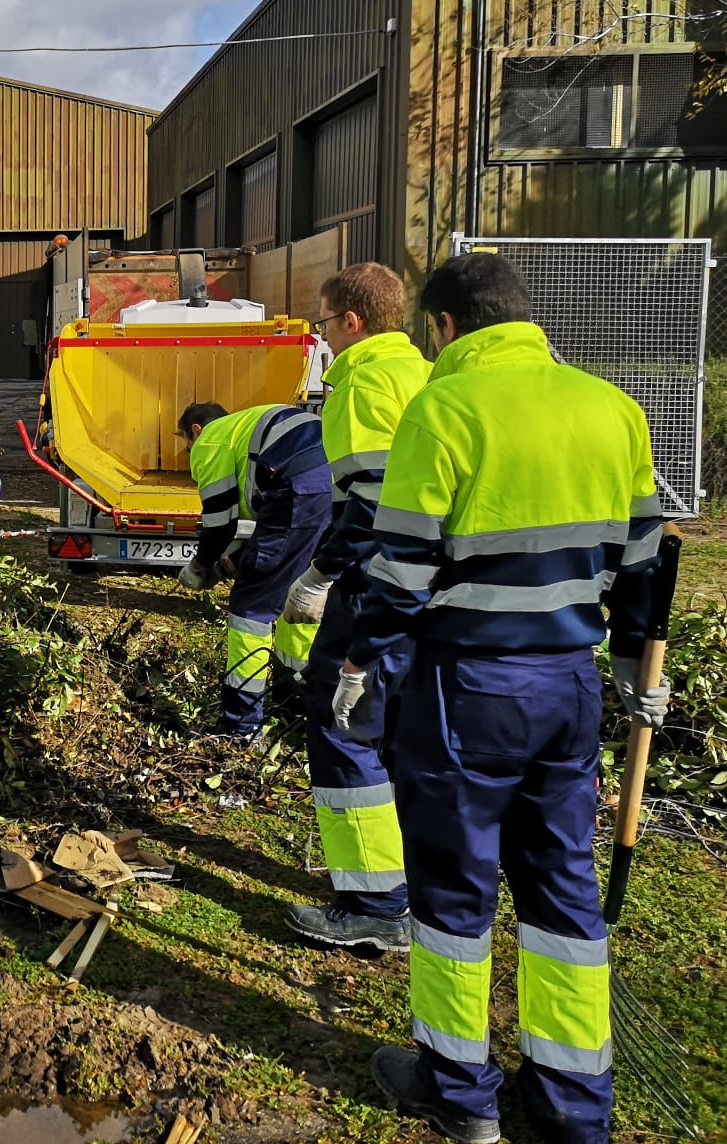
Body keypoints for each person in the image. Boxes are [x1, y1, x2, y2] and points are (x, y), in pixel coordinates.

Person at [345, 253, 664, 1144]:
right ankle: (571, 1107)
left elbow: (401, 573)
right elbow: (642, 572)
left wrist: (360, 666)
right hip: (570, 687)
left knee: (454, 888)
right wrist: (643, 676)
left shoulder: (442, 410)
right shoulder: (614, 409)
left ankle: (457, 1090)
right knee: (563, 888)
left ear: (446, 326)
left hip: (465, 684)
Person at [279, 263, 432, 953]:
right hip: (427, 588)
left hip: (373, 582)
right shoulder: (426, 375)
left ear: (353, 321)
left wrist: (319, 575)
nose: (317, 329)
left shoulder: (362, 383)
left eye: (322, 317)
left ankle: (375, 903)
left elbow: (367, 504)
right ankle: (409, 880)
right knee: (399, 730)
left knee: (343, 723)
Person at [177, 400, 330, 736]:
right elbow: (272, 528)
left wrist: (199, 567)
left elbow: (219, 525)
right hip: (330, 488)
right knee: (299, 597)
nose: (188, 450)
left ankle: (241, 725)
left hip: (296, 490)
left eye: (185, 441)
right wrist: (233, 561)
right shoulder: (247, 429)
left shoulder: (211, 440)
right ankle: (296, 709)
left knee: (251, 609)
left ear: (196, 430)